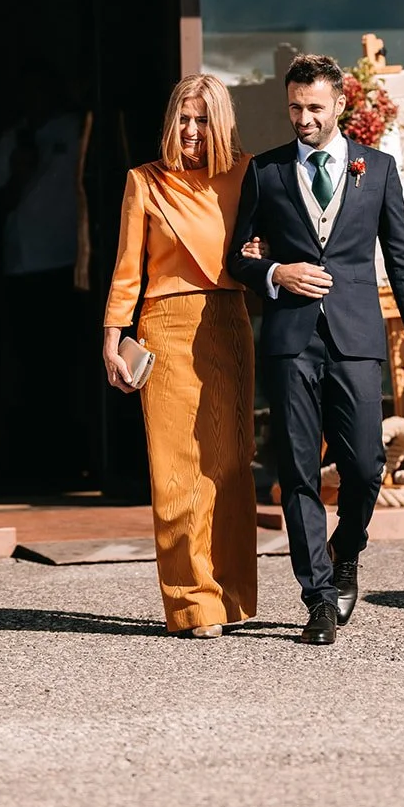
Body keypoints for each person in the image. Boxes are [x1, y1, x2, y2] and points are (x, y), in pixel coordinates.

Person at [228, 53, 404, 647]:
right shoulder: (265, 171)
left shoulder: (379, 168)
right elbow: (237, 257)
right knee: (297, 471)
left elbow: (402, 260)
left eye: (315, 107)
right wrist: (277, 273)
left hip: (356, 338)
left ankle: (348, 549)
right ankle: (318, 598)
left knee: (366, 466)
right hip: (291, 342)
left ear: (340, 104)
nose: (304, 119)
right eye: (295, 108)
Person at [103, 74, 258, 639]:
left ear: (221, 123)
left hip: (228, 321)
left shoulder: (247, 174)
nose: (191, 130)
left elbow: (269, 245)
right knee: (176, 470)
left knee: (230, 466)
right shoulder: (144, 181)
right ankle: (193, 604)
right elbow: (127, 269)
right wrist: (112, 338)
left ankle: (231, 596)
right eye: (184, 119)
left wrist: (262, 252)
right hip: (164, 325)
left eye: (202, 119)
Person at [0, 56, 85, 489]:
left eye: (39, 90)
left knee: (62, 364)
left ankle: (68, 457)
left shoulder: (74, 130)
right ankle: (31, 459)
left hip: (64, 261)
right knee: (28, 365)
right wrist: (20, 171)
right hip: (22, 263)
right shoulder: (11, 140)